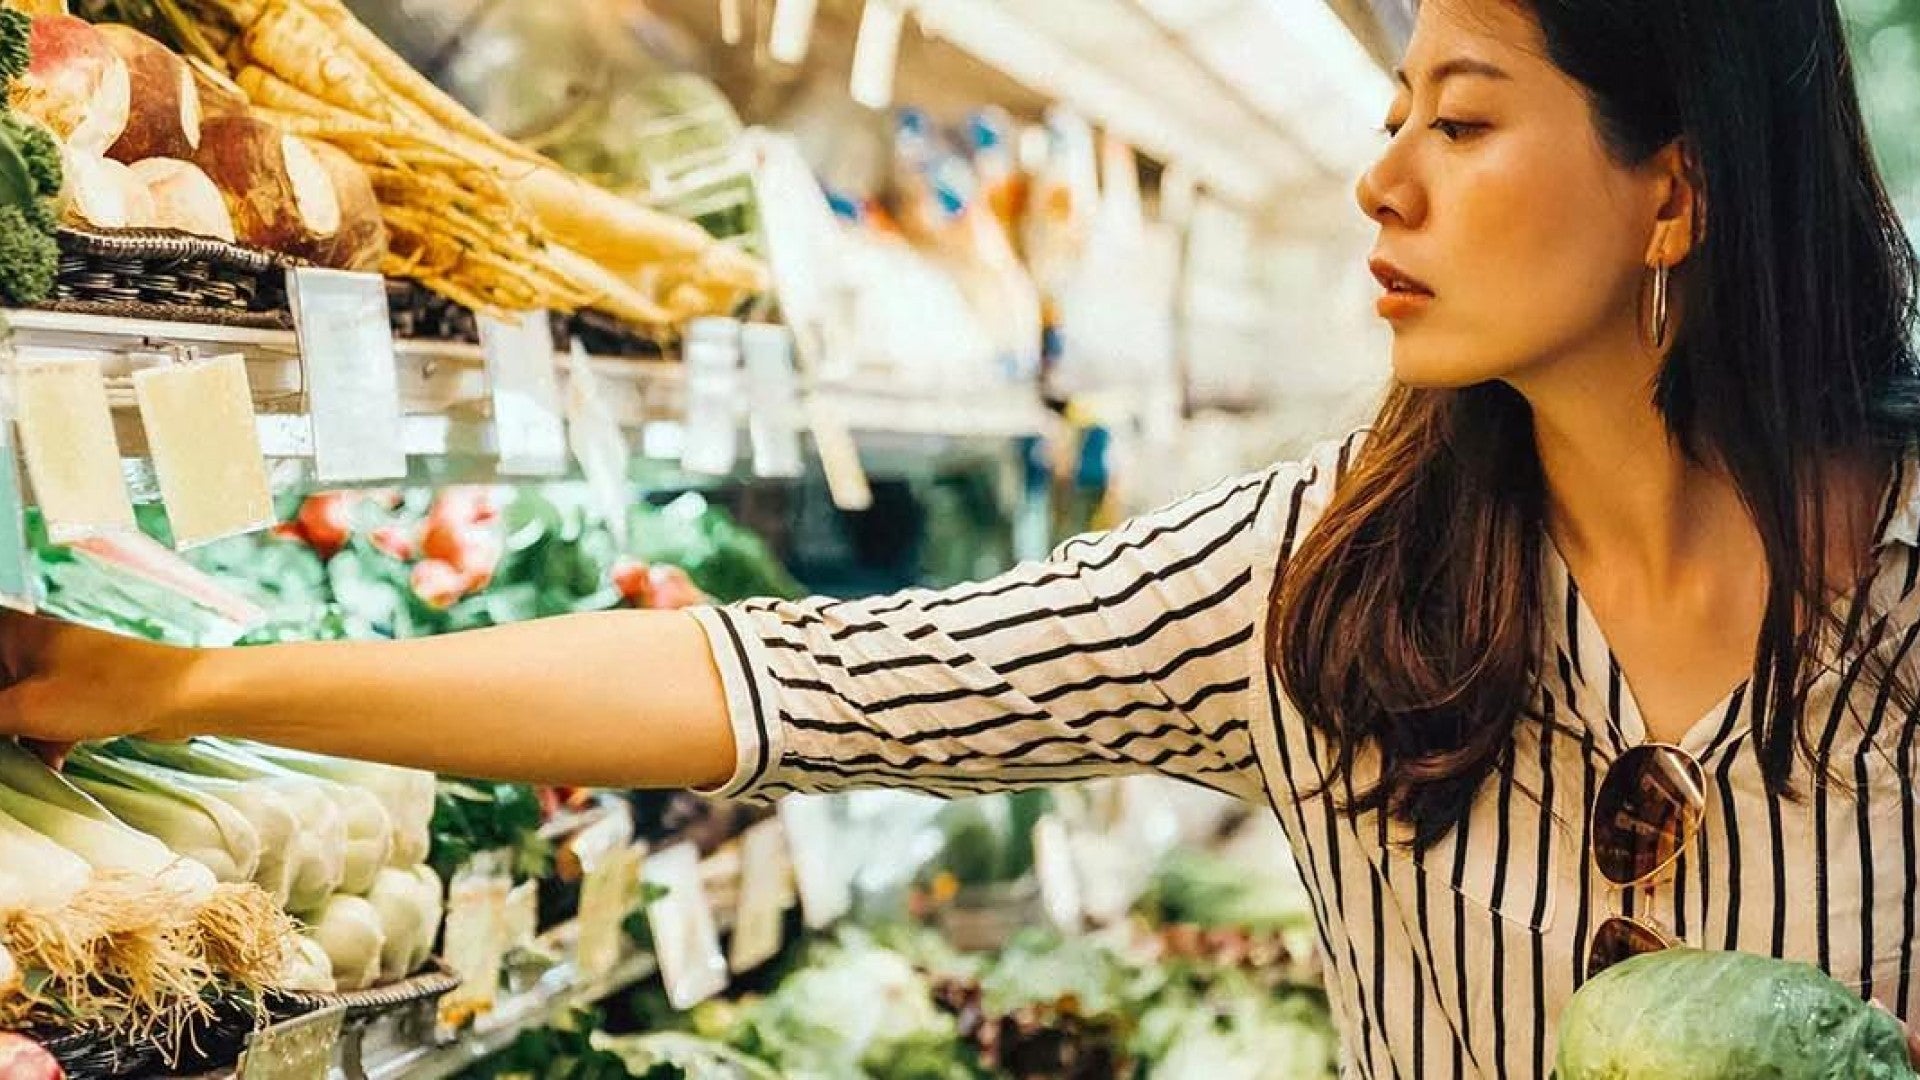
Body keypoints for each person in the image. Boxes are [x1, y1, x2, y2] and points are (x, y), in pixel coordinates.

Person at [2, 0, 1919, 1076]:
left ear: (1673, 189)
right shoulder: (1320, 587)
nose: (1381, 169)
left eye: (1468, 120)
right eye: (1396, 102)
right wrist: (174, 679)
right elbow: (794, 684)